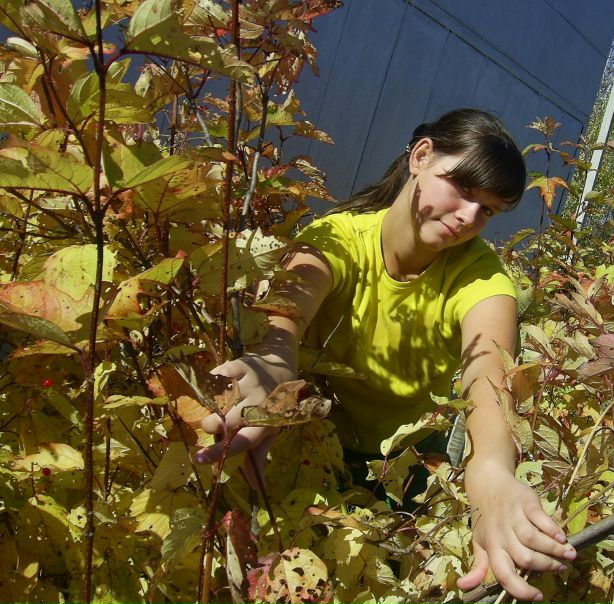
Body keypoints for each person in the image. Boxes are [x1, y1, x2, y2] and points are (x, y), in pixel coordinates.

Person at [194, 108, 576, 601]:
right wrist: (272, 358)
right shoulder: (336, 238)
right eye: (461, 188)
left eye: (488, 210)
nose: (469, 217)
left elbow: (488, 373)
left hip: (406, 469)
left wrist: (491, 467)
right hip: (308, 447)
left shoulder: (482, 280)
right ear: (421, 156)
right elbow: (288, 313)